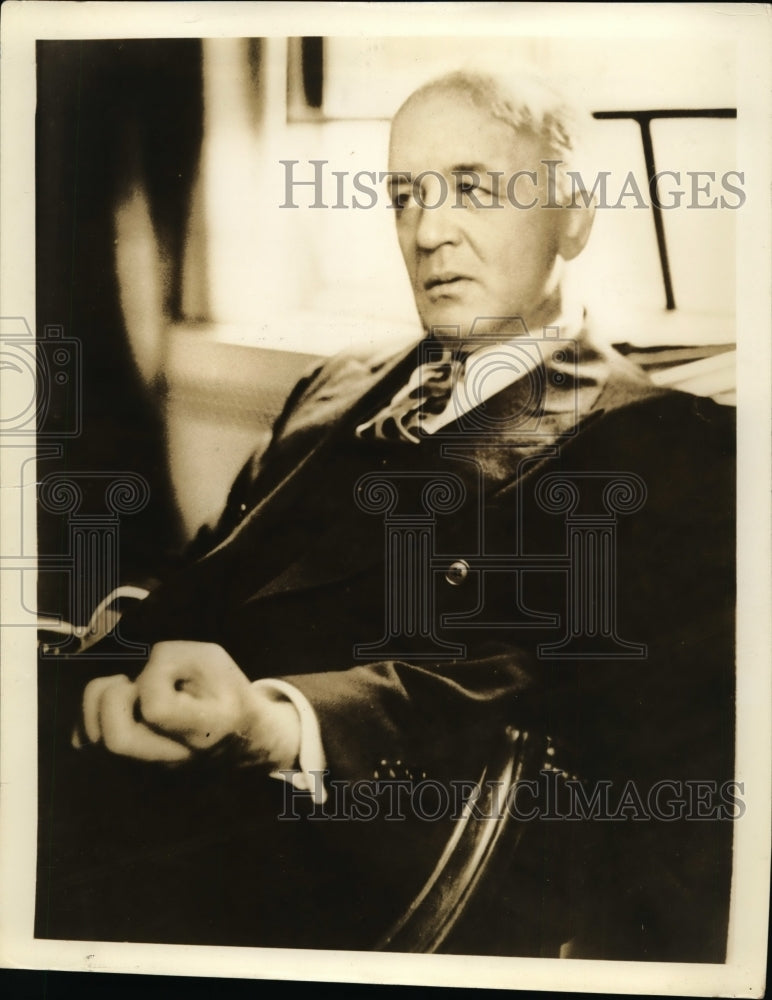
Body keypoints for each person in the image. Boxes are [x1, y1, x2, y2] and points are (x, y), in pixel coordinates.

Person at [38, 70, 735, 961]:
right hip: (130, 783)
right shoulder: (337, 384)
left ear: (575, 214)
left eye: (473, 189)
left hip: (328, 875)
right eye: (405, 195)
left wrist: (272, 723)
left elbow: (531, 697)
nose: (427, 231)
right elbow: (205, 574)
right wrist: (99, 668)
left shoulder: (660, 442)